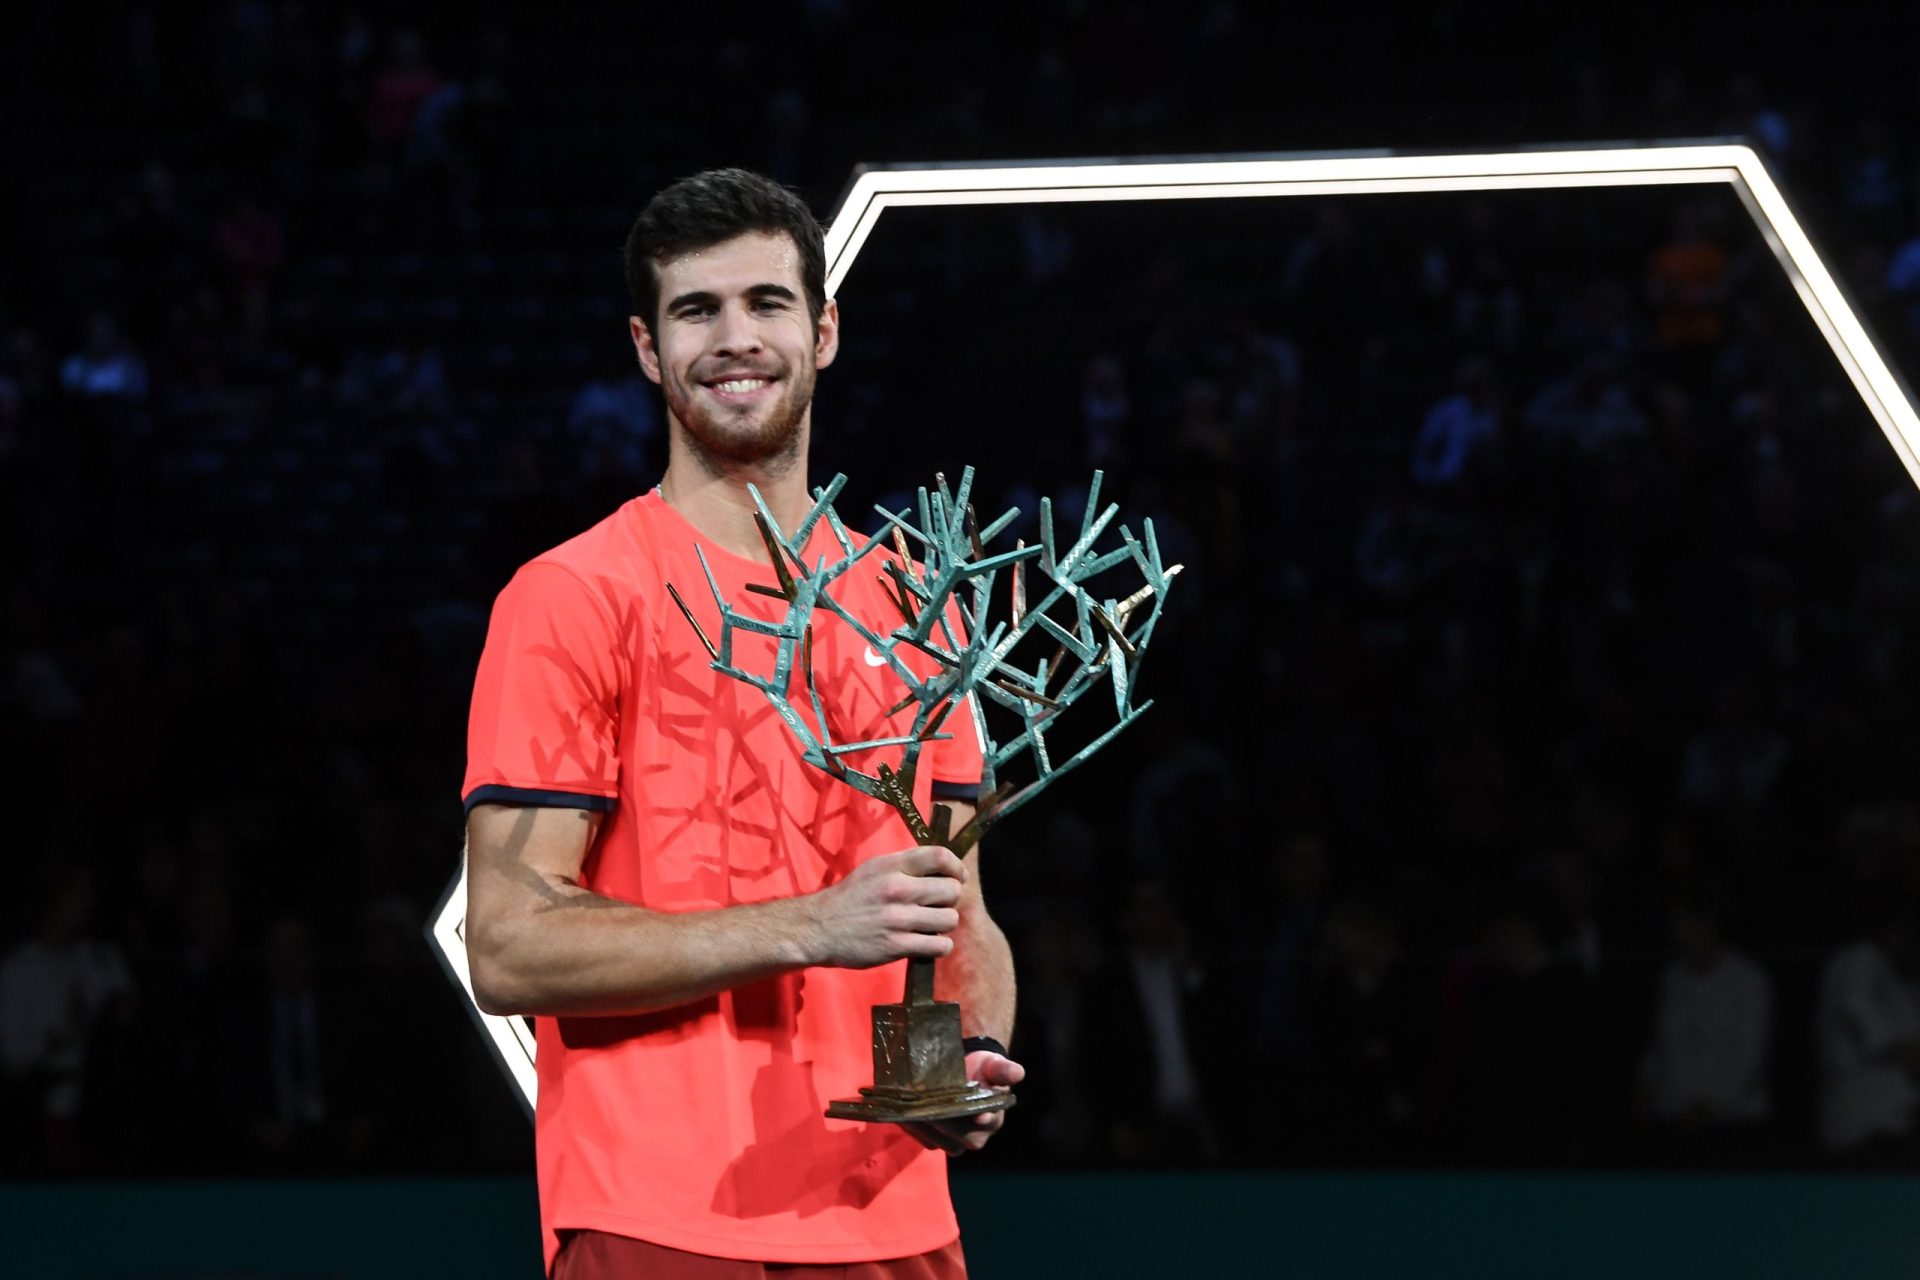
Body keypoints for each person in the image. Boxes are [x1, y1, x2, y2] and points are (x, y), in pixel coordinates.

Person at [462, 168, 1021, 1280]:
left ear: (823, 331)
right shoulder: (573, 595)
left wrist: (975, 1049)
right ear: (645, 347)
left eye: (766, 304)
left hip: (897, 1217)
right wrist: (812, 924)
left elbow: (965, 914)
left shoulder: (921, 602)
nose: (735, 338)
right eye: (695, 310)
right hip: (662, 1216)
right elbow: (510, 942)